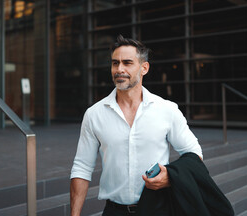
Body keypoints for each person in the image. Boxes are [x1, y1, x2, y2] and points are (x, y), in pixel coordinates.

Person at [70, 35, 203, 216]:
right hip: (115, 211)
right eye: (115, 63)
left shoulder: (167, 110)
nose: (119, 69)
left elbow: (194, 153)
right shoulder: (94, 114)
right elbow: (82, 167)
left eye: (127, 63)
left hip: (159, 209)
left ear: (144, 68)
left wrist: (170, 178)